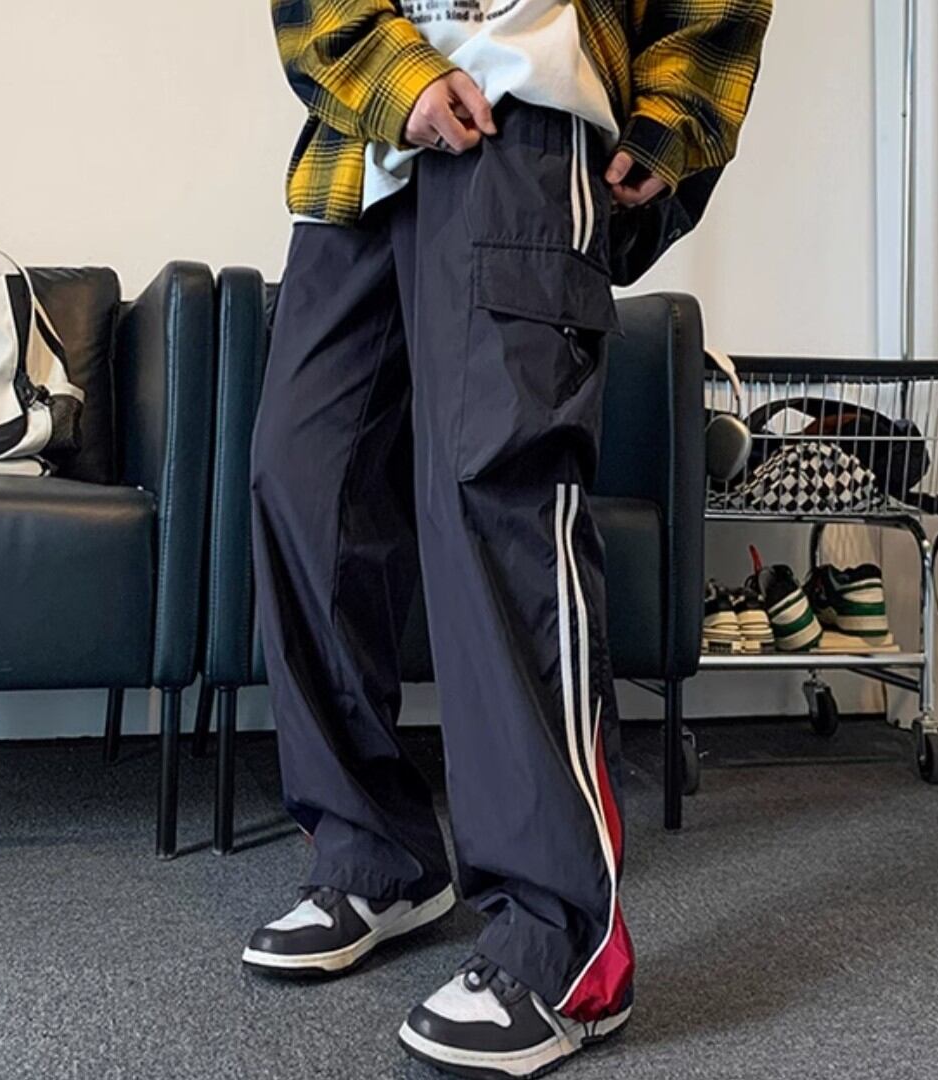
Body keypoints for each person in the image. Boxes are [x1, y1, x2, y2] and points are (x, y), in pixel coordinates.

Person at [246, 0, 771, 1074]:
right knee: (303, 483)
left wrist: (671, 120)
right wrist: (392, 75)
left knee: (497, 496)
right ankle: (375, 855)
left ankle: (562, 941)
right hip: (361, 144)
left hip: (525, 120)